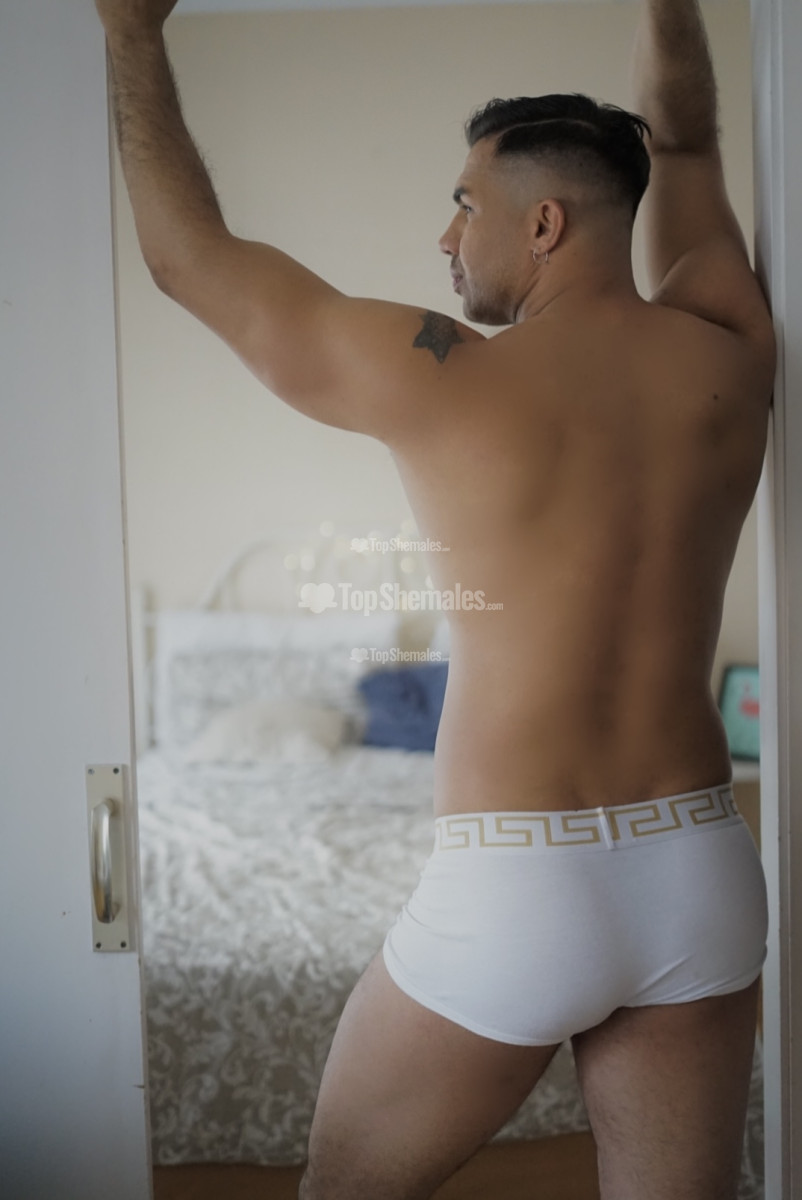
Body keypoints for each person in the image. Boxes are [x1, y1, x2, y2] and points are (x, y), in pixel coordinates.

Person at [94, 0, 775, 1196]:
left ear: (544, 223)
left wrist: (130, 35)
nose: (447, 235)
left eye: (466, 203)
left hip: (521, 882)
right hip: (698, 866)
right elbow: (685, 141)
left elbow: (186, 261)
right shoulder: (726, 343)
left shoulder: (450, 380)